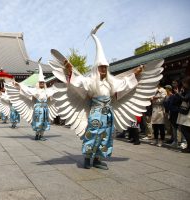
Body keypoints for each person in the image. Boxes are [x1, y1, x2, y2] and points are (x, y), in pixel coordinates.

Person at [48, 23, 159, 170]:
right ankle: (88, 158)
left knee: (105, 136)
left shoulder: (112, 82)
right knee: (93, 133)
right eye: (101, 67)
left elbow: (125, 84)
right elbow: (78, 81)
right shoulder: (90, 81)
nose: (103, 69)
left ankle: (98, 158)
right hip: (95, 112)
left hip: (108, 113)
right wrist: (69, 71)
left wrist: (135, 74)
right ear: (96, 68)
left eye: (105, 67)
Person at [176, 76, 190, 153]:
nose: (183, 84)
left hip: (187, 113)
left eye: (184, 83)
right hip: (187, 112)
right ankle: (188, 147)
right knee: (186, 129)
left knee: (185, 129)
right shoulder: (187, 90)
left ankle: (189, 147)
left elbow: (185, 99)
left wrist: (178, 93)